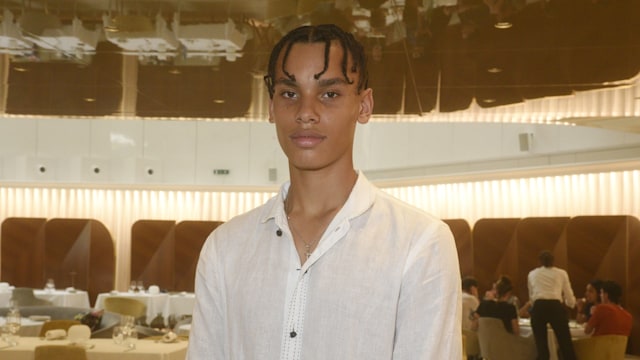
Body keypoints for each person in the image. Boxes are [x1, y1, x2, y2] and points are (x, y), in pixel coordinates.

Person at [186, 24, 462, 359]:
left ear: (364, 106)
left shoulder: (419, 243)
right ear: (271, 107)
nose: (305, 112)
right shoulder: (224, 248)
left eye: (329, 94)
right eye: (290, 93)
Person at [528, 250, 577, 360]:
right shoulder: (561, 273)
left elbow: (531, 295)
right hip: (555, 306)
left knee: (541, 346)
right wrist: (572, 303)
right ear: (553, 261)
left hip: (539, 306)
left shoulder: (532, 274)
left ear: (540, 261)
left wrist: (533, 306)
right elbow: (568, 293)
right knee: (565, 343)